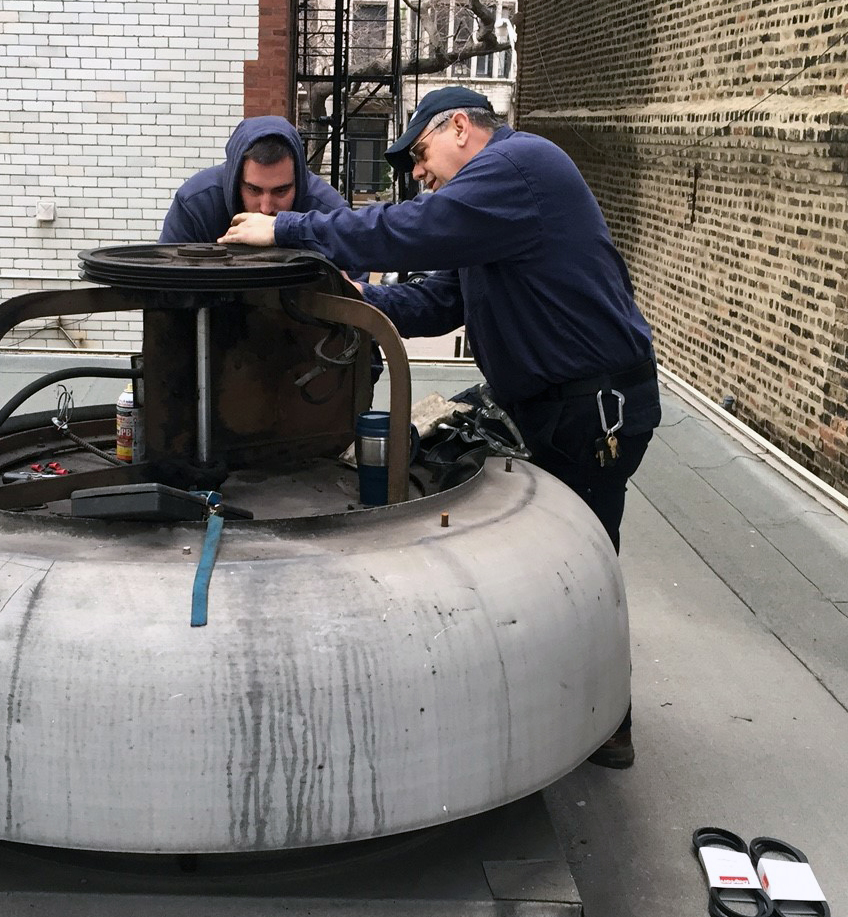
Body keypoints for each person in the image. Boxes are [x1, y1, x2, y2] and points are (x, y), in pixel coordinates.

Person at [221, 86, 661, 770]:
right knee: (557, 563)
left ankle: (604, 722)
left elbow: (409, 229)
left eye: (421, 153)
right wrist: (356, 300)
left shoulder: (519, 167)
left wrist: (286, 230)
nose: (418, 172)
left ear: (461, 126)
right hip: (549, 402)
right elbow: (437, 299)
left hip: (591, 407)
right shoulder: (492, 213)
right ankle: (559, 701)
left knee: (587, 565)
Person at [159, 115, 347, 243]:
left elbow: (353, 296)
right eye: (253, 190)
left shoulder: (329, 213)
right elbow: (163, 292)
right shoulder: (196, 205)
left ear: (299, 181)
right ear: (234, 179)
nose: (266, 208)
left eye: (281, 191)